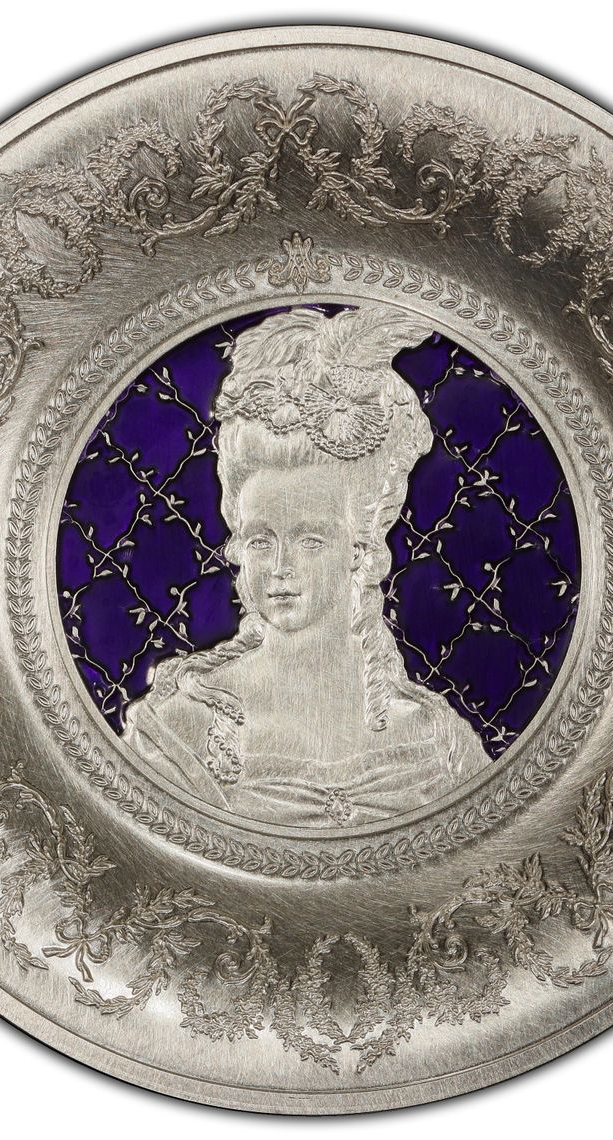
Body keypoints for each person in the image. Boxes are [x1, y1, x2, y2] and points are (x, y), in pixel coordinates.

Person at [122, 305, 491, 826]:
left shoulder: (433, 739)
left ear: (359, 550)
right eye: (260, 541)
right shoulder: (179, 725)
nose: (280, 567)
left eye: (311, 541)